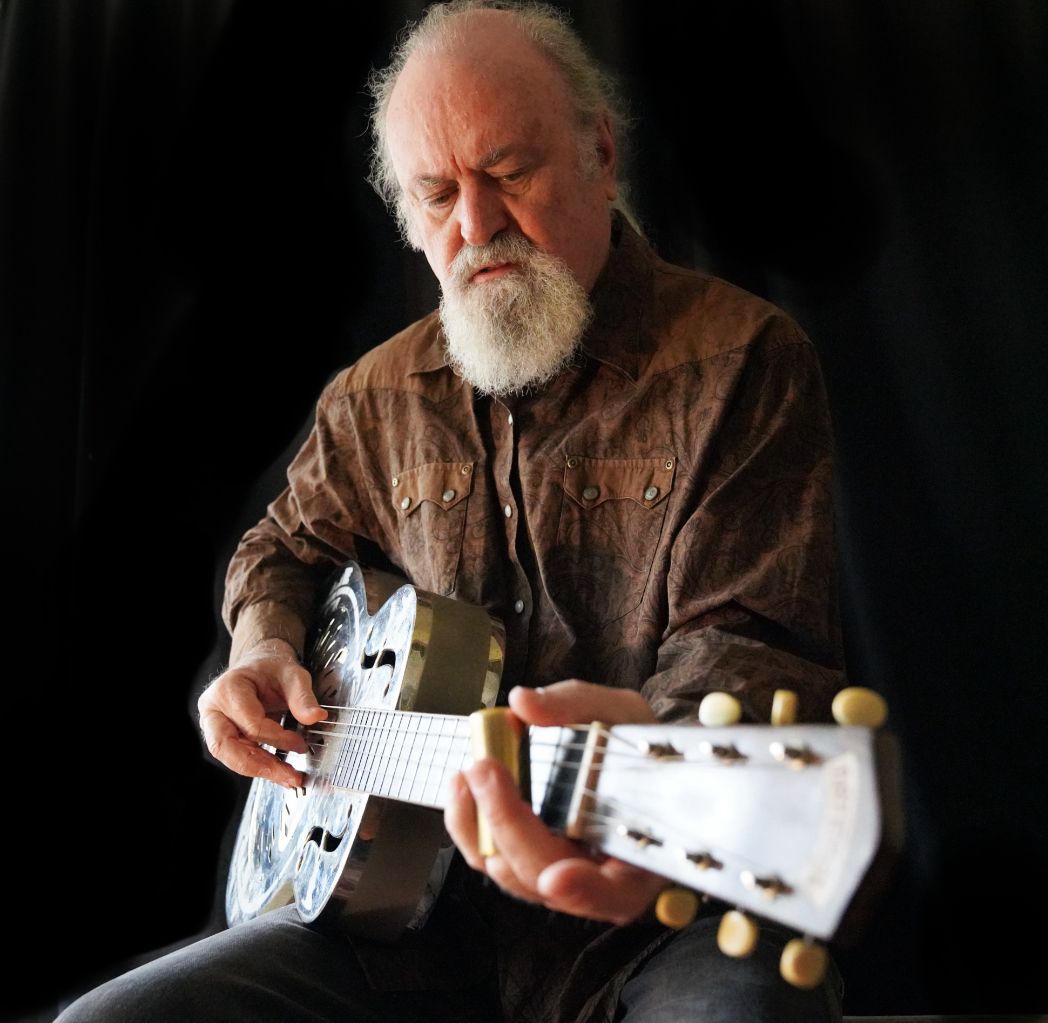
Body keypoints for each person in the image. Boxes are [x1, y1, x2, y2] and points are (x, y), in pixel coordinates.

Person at [57, 1, 847, 1020]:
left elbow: (746, 655)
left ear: (600, 153)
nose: (475, 225)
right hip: (406, 933)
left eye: (508, 173)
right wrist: (261, 646)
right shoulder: (373, 396)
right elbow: (281, 548)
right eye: (437, 194)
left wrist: (640, 766)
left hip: (666, 915)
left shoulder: (743, 358)